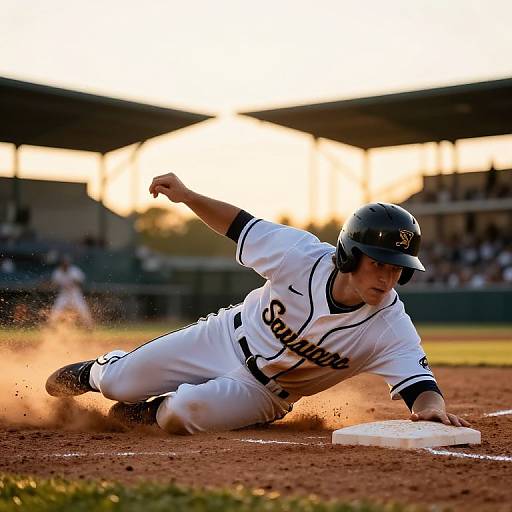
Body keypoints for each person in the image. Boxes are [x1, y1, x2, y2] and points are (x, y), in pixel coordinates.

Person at [46, 173, 469, 434]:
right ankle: (99, 370)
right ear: (348, 255)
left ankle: (146, 414)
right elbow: (238, 224)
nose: (388, 276)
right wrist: (189, 196)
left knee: (181, 415)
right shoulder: (300, 254)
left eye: (398, 268)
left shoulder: (389, 326)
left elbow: (420, 388)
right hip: (223, 338)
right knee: (120, 384)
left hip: (262, 394)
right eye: (379, 263)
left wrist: (432, 411)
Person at [48, 256, 93, 329]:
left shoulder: (74, 271)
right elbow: (54, 284)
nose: (65, 264)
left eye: (66, 263)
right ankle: (51, 326)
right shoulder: (58, 272)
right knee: (56, 309)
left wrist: (76, 281)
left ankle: (89, 326)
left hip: (75, 293)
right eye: (64, 263)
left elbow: (81, 282)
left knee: (82, 309)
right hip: (63, 294)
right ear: (61, 264)